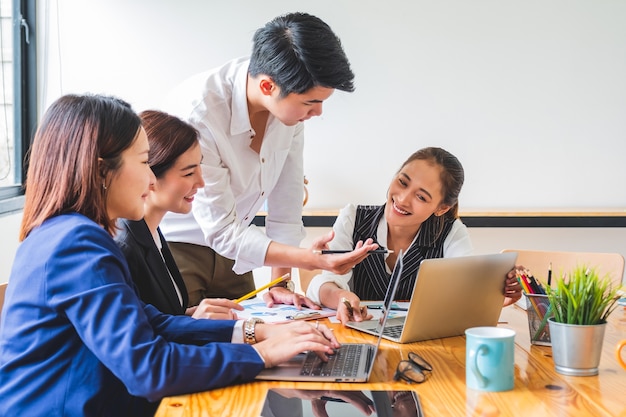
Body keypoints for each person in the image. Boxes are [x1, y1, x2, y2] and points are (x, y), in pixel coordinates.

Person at [0, 94, 340, 417]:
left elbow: (151, 321)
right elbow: (147, 369)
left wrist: (255, 333)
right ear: (103, 171)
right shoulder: (78, 242)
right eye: (145, 162)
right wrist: (260, 353)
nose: (151, 178)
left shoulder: (63, 233)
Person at [159, 12, 378, 308]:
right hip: (178, 248)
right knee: (188, 344)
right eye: (311, 102)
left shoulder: (291, 116)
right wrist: (311, 261)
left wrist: (282, 282)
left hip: (236, 253)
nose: (318, 113)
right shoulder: (199, 113)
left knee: (253, 337)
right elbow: (221, 231)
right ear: (267, 87)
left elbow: (285, 208)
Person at [305, 147, 524, 324]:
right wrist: (343, 297)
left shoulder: (451, 233)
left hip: (423, 347)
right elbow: (324, 284)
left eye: (421, 196)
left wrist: (494, 299)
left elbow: (464, 293)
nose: (402, 199)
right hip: (356, 337)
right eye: (402, 182)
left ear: (442, 208)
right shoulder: (353, 218)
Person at [115, 110, 241, 319]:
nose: (201, 183)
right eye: (189, 173)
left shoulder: (153, 234)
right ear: (150, 175)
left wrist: (187, 317)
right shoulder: (124, 247)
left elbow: (160, 317)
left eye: (200, 168)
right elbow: (140, 337)